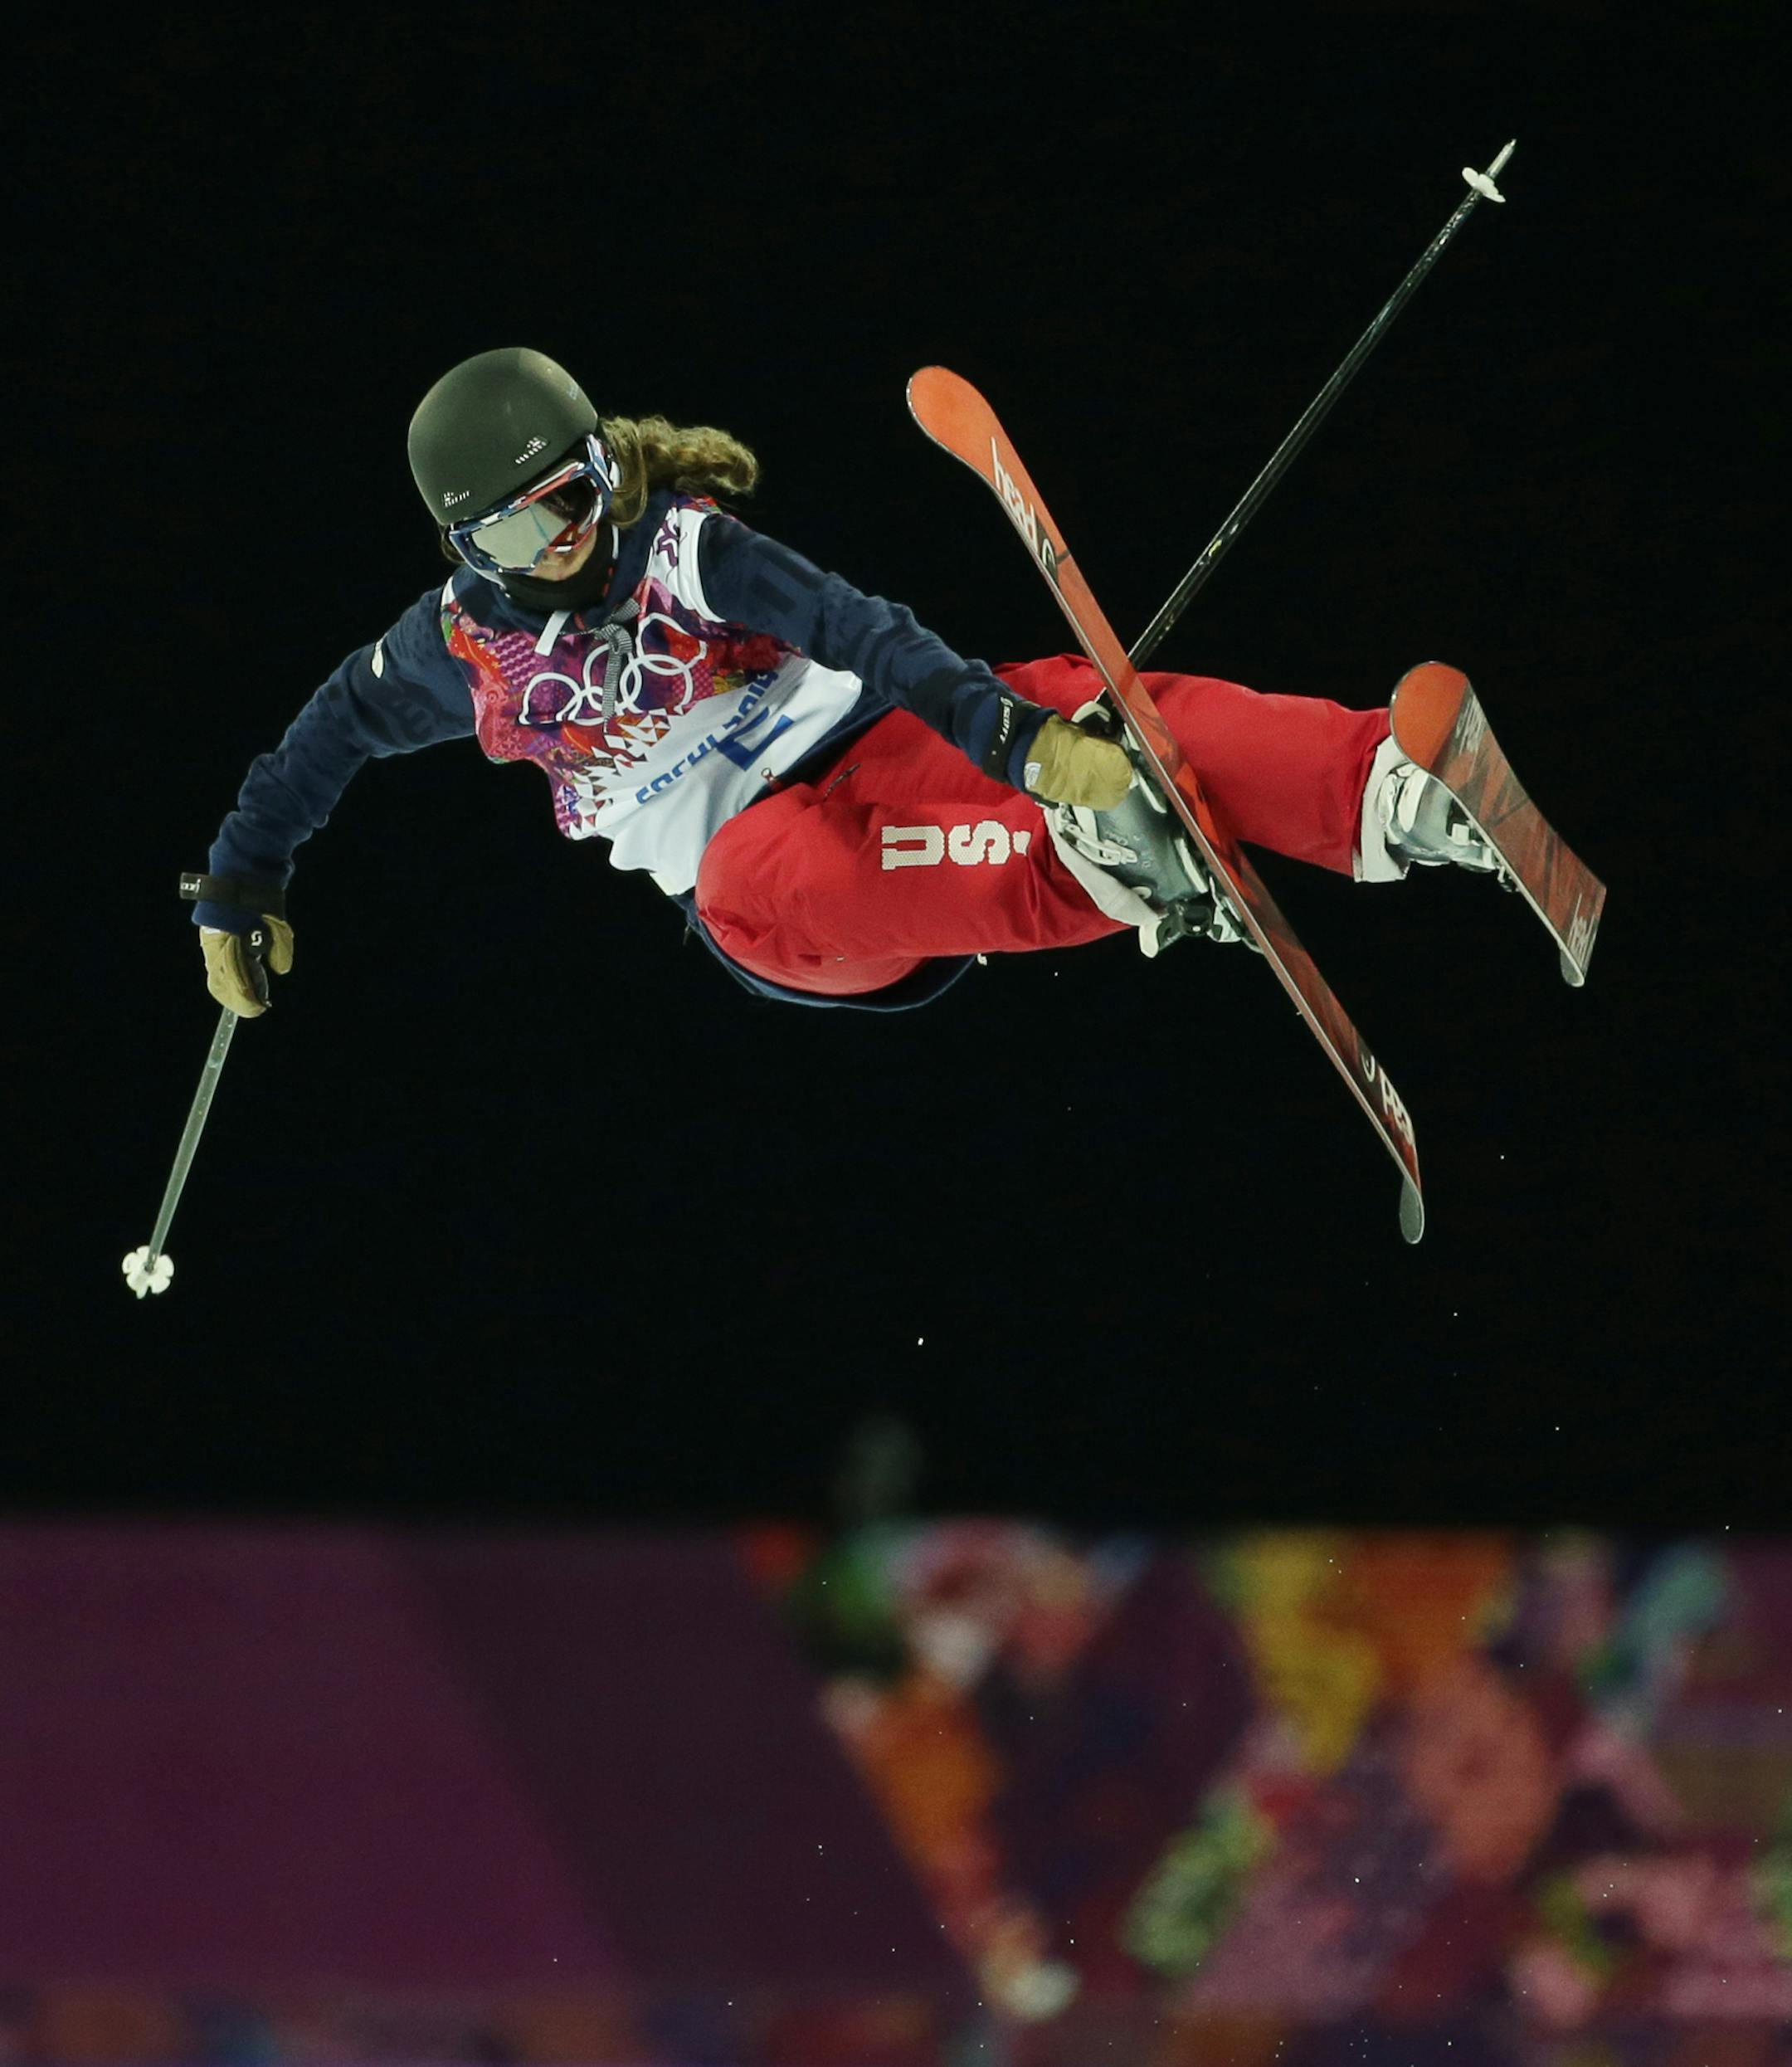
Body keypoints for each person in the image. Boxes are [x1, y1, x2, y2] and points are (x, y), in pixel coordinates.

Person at [188, 348, 1497, 1017]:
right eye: (525, 532)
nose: (569, 537)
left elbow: (857, 627)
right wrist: (242, 882)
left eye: (576, 495)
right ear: (470, 551)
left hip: (876, 749)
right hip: (781, 899)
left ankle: (1383, 790)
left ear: (606, 464)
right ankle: (1097, 862)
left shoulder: (684, 547)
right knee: (751, 880)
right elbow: (331, 731)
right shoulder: (462, 650)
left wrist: (1013, 732)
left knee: (1082, 696)